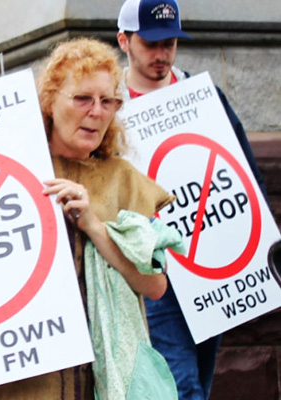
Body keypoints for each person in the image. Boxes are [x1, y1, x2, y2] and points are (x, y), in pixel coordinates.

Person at [0, 38, 180, 400]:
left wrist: (95, 226)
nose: (97, 111)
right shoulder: (0, 173)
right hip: (19, 383)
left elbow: (154, 286)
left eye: (108, 100)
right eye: (82, 99)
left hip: (100, 381)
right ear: (49, 100)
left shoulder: (122, 179)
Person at [116, 2, 267, 399]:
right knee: (183, 386)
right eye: (151, 44)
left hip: (210, 266)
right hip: (156, 269)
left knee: (200, 376)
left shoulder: (202, 96)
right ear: (124, 41)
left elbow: (244, 171)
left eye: (170, 43)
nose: (162, 54)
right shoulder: (109, 105)